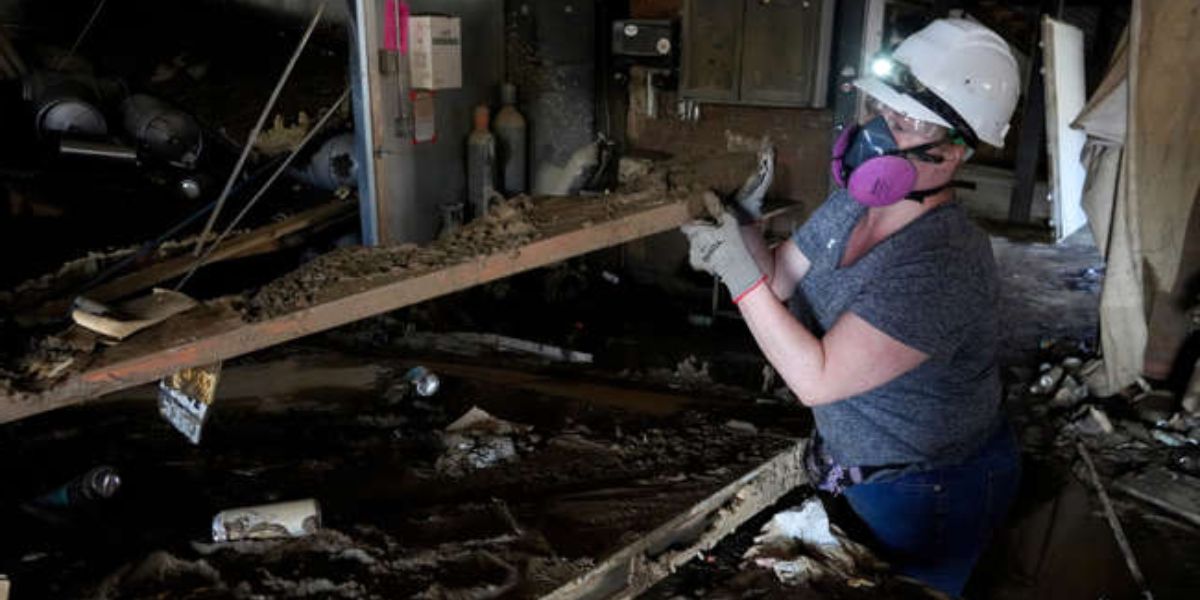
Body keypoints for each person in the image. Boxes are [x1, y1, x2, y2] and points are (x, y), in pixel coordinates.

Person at [681, 19, 1022, 597]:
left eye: (909, 123)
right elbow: (781, 281)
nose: (882, 135)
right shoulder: (852, 204)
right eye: (885, 113)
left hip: (928, 489)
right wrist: (742, 236)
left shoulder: (943, 262)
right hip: (857, 465)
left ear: (958, 148)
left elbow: (816, 378)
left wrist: (739, 280)